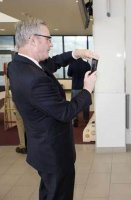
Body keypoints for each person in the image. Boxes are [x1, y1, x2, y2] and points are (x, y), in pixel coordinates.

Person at [7, 17, 98, 200]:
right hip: (54, 154)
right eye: (48, 39)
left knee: (50, 193)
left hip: (42, 149)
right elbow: (65, 112)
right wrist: (88, 89)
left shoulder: (18, 65)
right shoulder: (34, 79)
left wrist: (77, 52)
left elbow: (54, 62)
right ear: (33, 39)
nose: (50, 44)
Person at [67, 58, 91, 127]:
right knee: (86, 104)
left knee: (74, 104)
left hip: (75, 87)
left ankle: (75, 120)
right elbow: (89, 74)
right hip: (85, 87)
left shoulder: (72, 64)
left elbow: (69, 74)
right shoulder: (86, 64)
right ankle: (86, 120)